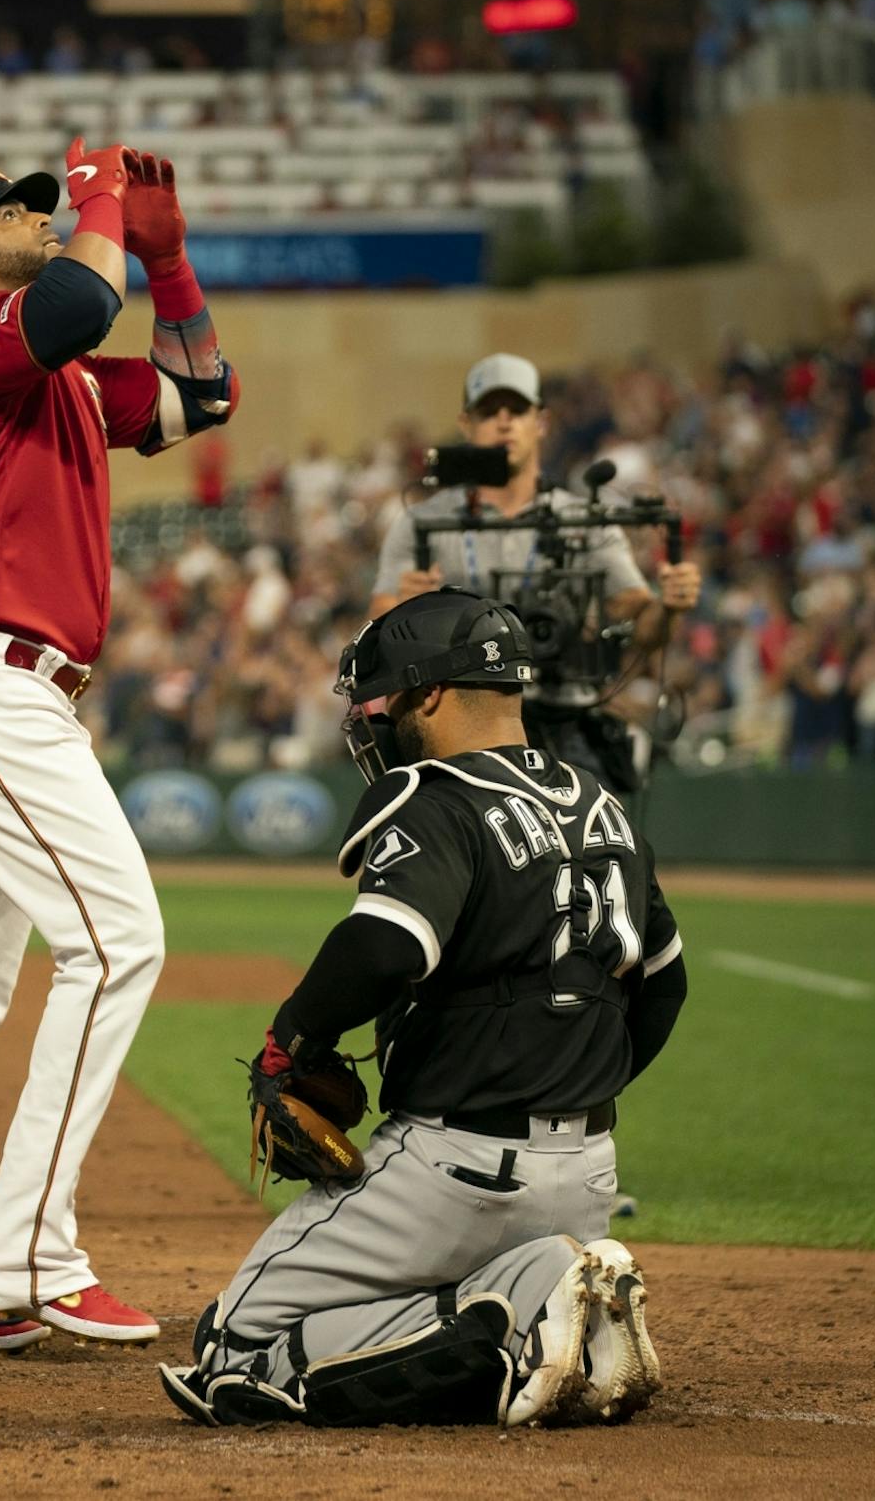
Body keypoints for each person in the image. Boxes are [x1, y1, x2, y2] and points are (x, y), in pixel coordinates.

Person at [0, 144, 242, 1354]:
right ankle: (31, 1251)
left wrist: (170, 260)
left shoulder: (57, 374)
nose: (34, 214)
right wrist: (104, 200)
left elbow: (202, 395)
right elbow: (79, 294)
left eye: (41, 202)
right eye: (9, 211)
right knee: (118, 941)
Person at [159, 588, 687, 1429]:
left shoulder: (437, 796)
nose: (372, 719)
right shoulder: (603, 805)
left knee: (233, 1351)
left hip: (453, 1167)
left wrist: (292, 1038)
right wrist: (574, 1081)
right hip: (590, 1173)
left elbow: (384, 946)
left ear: (431, 693)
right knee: (445, 1283)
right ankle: (558, 1301)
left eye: (381, 699)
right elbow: (664, 985)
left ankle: (520, 1310)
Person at [370, 353, 702, 793]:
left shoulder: (581, 520)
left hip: (569, 716)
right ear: (466, 424)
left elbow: (642, 624)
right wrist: (405, 610)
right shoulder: (422, 522)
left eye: (517, 410)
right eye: (489, 412)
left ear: (541, 422)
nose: (504, 422)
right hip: (465, 726)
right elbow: (379, 623)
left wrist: (669, 606)